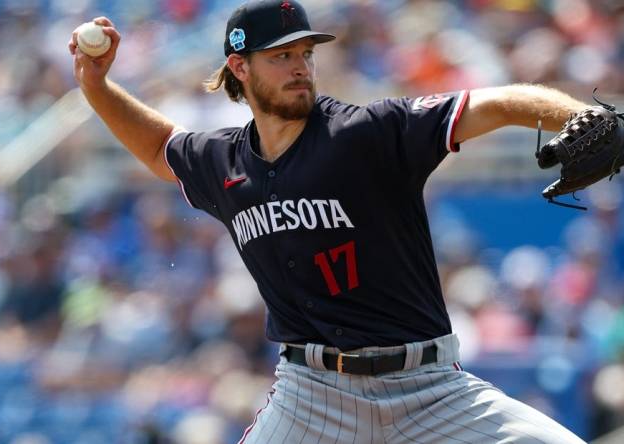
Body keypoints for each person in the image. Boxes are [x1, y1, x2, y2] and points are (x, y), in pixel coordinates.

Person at [69, 1, 588, 442]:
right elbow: (161, 149)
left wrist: (582, 118)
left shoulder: (366, 134)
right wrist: (96, 87)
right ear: (240, 67)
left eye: (306, 54)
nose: (300, 67)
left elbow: (495, 104)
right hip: (310, 397)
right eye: (282, 56)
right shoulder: (224, 163)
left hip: (429, 388)